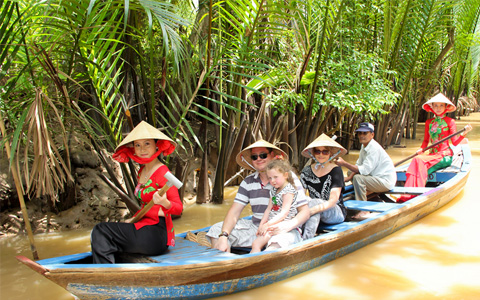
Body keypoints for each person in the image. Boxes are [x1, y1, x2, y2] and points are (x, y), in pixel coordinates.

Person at [90, 121, 183, 264]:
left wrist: (164, 202)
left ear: (156, 145)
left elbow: (178, 208)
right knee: (103, 232)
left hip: (155, 234)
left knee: (101, 230)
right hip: (142, 225)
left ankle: (105, 273)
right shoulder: (142, 171)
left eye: (147, 144)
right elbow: (145, 206)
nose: (142, 149)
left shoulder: (163, 172)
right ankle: (108, 270)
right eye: (137, 145)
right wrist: (132, 220)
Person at [205, 139, 310, 252]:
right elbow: (235, 211)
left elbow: (304, 211)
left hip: (284, 229)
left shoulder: (287, 178)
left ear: (272, 156)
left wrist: (288, 225)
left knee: (276, 244)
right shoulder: (248, 182)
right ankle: (226, 262)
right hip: (256, 228)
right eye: (254, 157)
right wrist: (224, 236)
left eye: (263, 155)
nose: (259, 159)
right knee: (216, 230)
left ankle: (259, 262)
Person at [397, 93, 473, 202]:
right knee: (416, 159)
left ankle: (415, 193)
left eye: (441, 105)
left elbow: (455, 143)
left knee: (419, 160)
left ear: (446, 107)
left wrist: (464, 134)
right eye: (435, 105)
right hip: (432, 155)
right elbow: (426, 141)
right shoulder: (429, 122)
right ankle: (410, 192)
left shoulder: (450, 122)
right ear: (431, 107)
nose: (438, 108)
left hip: (444, 155)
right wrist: (421, 149)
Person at [335, 122, 396, 218]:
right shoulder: (364, 146)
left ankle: (364, 210)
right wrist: (349, 177)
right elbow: (359, 165)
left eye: (365, 133)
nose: (361, 136)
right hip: (375, 177)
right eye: (360, 133)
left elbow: (364, 170)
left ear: (372, 135)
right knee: (351, 172)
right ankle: (365, 192)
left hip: (385, 181)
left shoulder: (373, 149)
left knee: (358, 178)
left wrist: (344, 163)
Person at [300, 134, 347, 239]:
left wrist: (312, 210)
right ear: (313, 153)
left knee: (314, 203)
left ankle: (305, 240)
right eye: (317, 151)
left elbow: (332, 201)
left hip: (335, 211)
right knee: (303, 202)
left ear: (330, 154)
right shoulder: (306, 171)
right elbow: (300, 196)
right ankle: (294, 235)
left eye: (325, 151)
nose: (321, 155)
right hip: (314, 208)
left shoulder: (336, 171)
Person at [250, 160, 301, 253]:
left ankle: (261, 260)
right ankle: (251, 262)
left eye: (275, 177)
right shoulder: (274, 190)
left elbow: (284, 213)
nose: (272, 181)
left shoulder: (288, 191)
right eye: (270, 178)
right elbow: (269, 209)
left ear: (286, 175)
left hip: (283, 223)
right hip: (271, 223)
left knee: (268, 246)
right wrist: (261, 225)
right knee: (256, 244)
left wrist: (267, 225)